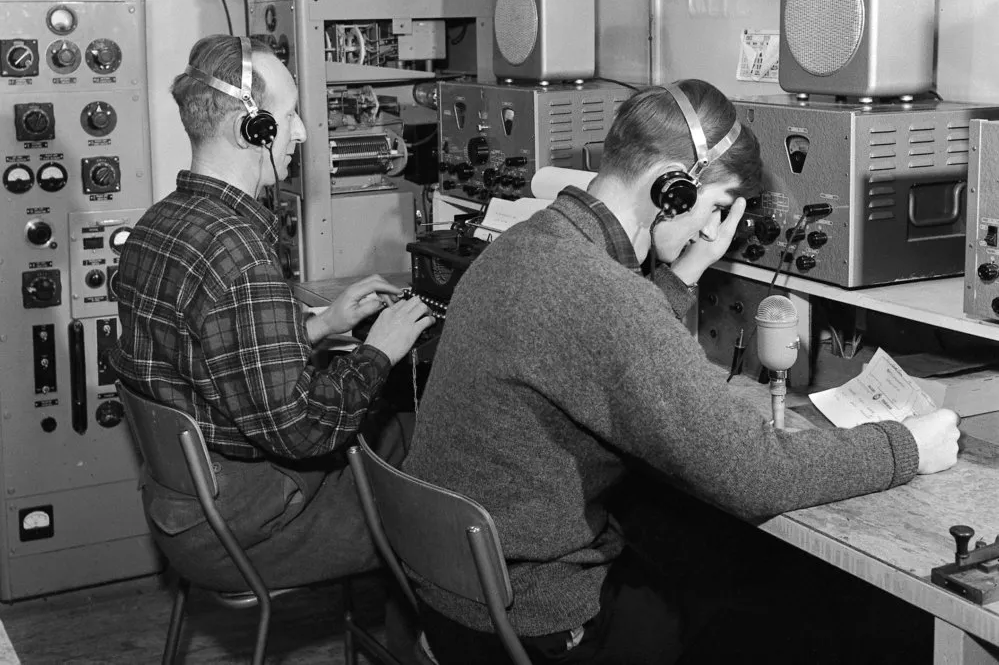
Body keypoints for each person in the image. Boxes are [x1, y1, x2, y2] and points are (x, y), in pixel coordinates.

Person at [403, 79, 960, 665]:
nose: (711, 226)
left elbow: (596, 347)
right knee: (812, 615)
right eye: (715, 207)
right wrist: (906, 447)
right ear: (672, 185)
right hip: (539, 625)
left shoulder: (528, 242)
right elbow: (756, 474)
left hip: (457, 602)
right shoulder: (604, 295)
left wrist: (687, 267)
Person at [109, 34, 435, 592]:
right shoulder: (239, 253)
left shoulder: (158, 223)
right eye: (290, 116)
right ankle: (436, 640)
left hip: (184, 506)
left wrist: (323, 325)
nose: (303, 131)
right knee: (433, 473)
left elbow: (213, 358)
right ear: (251, 129)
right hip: (251, 524)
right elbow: (304, 432)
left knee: (400, 439)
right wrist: (381, 349)